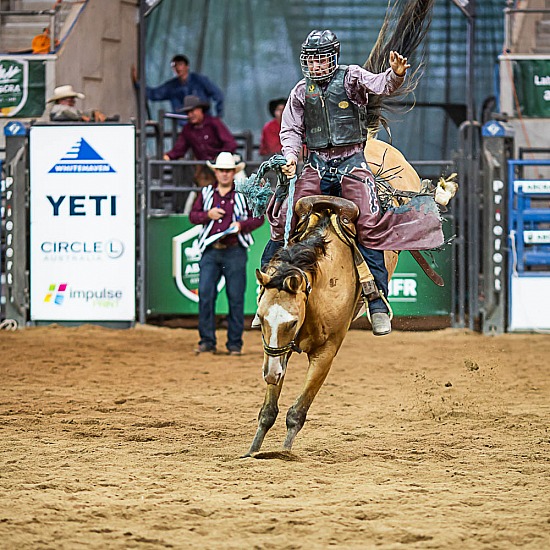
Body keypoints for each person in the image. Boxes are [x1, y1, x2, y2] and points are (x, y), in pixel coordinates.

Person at [261, 30, 446, 337]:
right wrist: (291, 156)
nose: (316, 65)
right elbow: (291, 130)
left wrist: (395, 75)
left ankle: (377, 301)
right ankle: (271, 288)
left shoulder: (352, 78)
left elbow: (381, 85)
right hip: (317, 165)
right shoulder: (299, 91)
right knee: (284, 219)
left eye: (320, 59)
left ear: (332, 58)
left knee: (370, 225)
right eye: (311, 59)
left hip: (352, 164)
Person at [189, 152, 264, 355]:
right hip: (212, 251)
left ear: (233, 173)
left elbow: (258, 218)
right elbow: (193, 216)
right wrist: (208, 215)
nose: (224, 174)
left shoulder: (241, 194)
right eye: (221, 170)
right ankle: (207, 340)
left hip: (234, 251)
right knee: (205, 294)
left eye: (228, 171)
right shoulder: (205, 193)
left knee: (235, 297)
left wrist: (241, 225)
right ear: (216, 172)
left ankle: (234, 343)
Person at [163, 95, 238, 190]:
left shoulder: (214, 123)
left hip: (226, 165)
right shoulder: (187, 129)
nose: (190, 115)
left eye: (192, 111)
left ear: (200, 110)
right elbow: (180, 149)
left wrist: (220, 159)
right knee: (199, 194)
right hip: (205, 168)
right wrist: (168, 156)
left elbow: (230, 144)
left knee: (240, 185)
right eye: (188, 112)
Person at [132, 54, 224, 117]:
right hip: (184, 128)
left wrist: (218, 116)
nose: (178, 68)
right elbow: (154, 94)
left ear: (187, 66)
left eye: (180, 64)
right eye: (175, 65)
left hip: (204, 124)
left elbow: (218, 95)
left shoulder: (199, 80)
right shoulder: (172, 86)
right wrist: (137, 83)